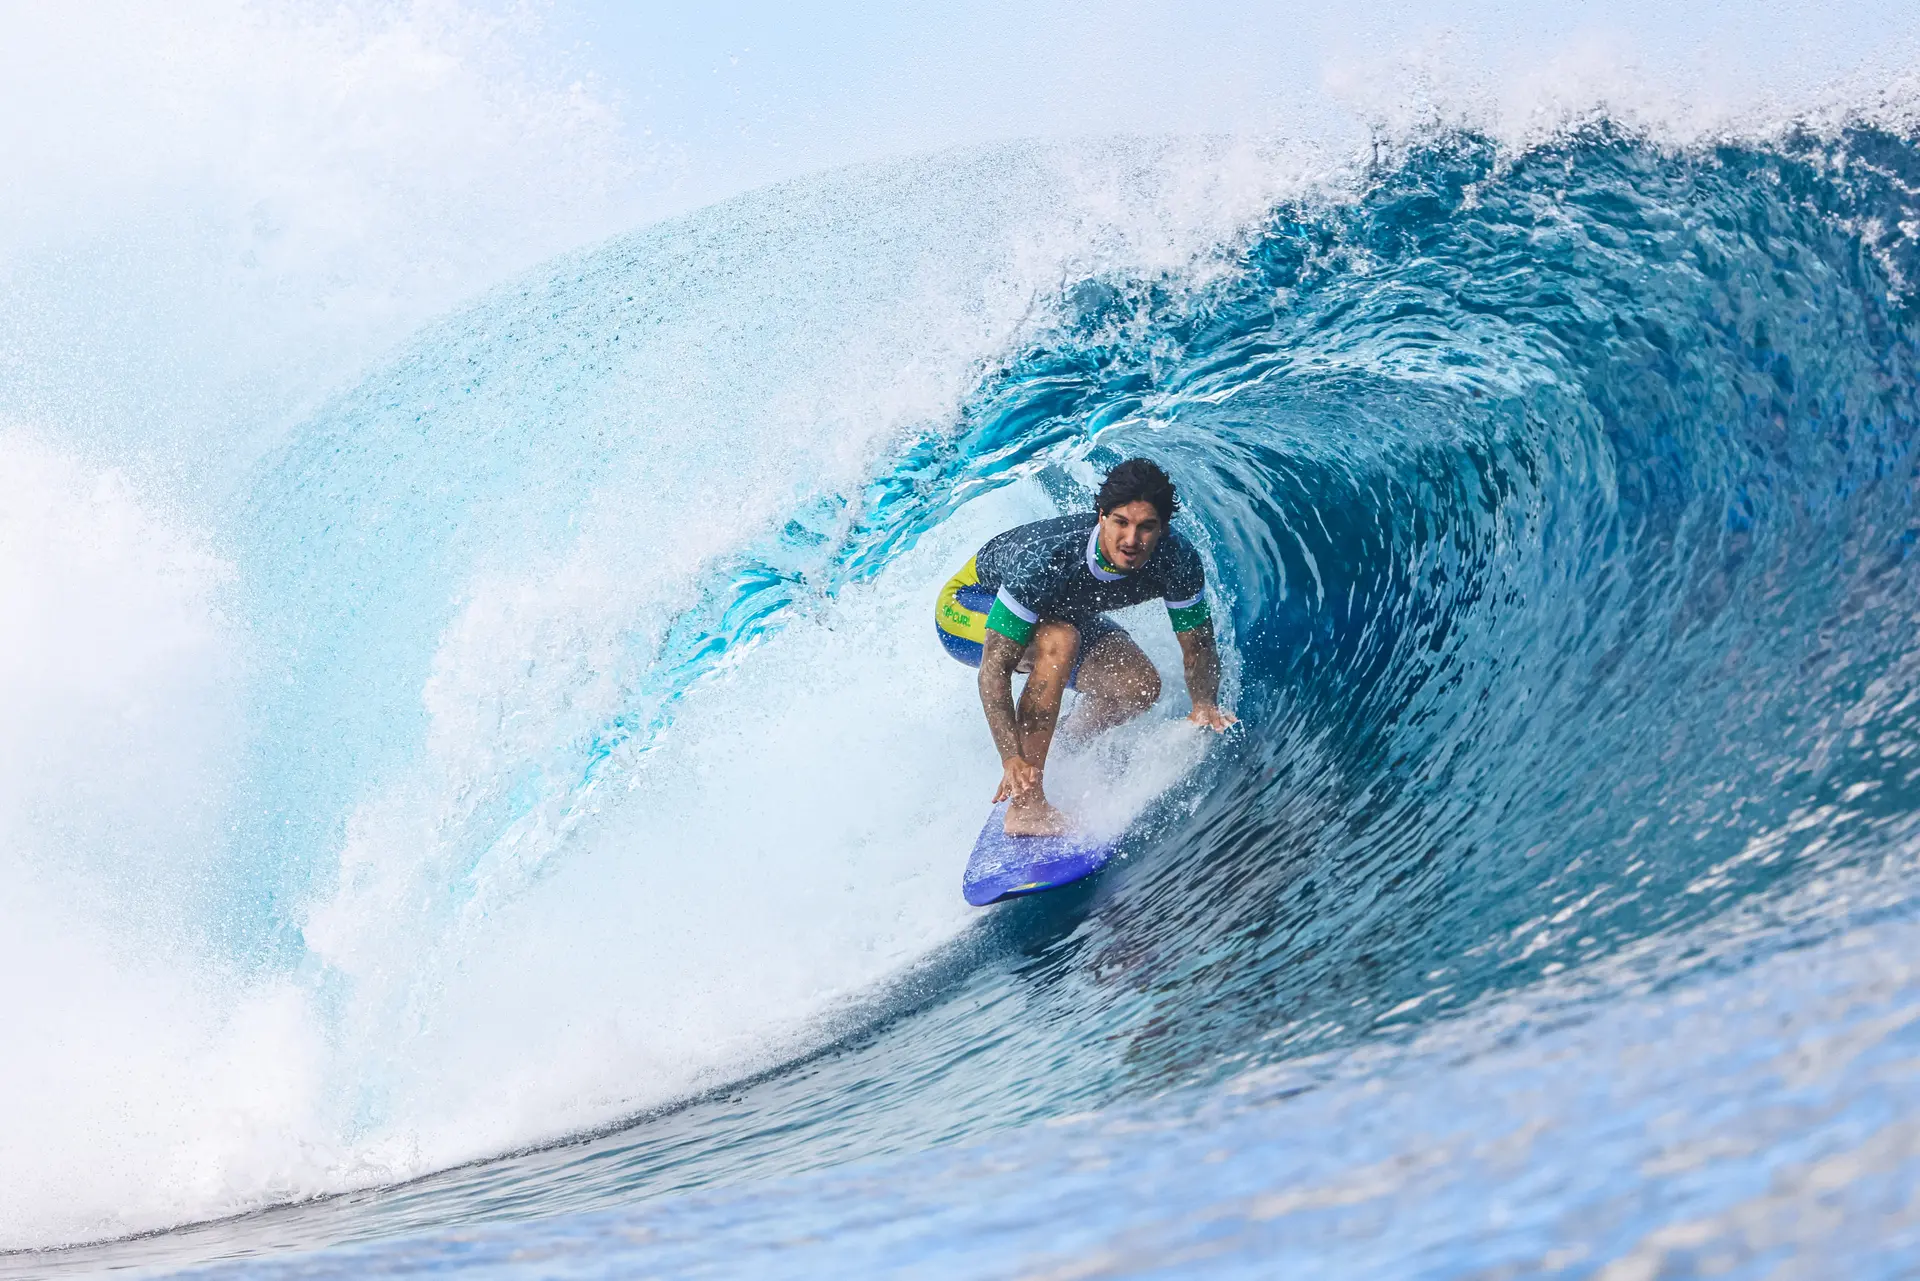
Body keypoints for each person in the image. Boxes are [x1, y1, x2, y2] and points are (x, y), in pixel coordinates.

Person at [935, 457, 1236, 836]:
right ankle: (1026, 806)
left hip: (1057, 614)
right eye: (1121, 523)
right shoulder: (1047, 557)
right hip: (967, 608)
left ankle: (1058, 749)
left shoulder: (1176, 560)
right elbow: (994, 671)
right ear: (1101, 516)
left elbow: (1198, 644)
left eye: (1146, 527)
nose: (1131, 540)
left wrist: (1204, 705)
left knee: (1137, 687)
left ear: (1163, 528)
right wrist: (1010, 757)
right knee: (1060, 641)